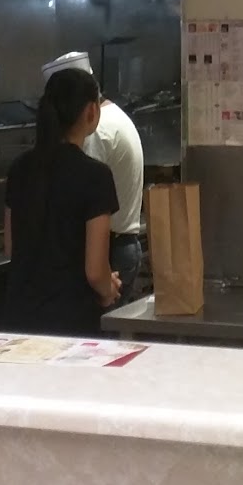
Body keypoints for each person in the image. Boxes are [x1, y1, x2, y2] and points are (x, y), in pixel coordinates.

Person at [1, 67, 119, 336]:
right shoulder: (96, 176)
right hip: (70, 322)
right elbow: (95, 271)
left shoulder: (20, 168)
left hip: (18, 317)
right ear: (91, 111)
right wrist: (108, 288)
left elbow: (11, 248)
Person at [43, 50, 146, 302]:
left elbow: (80, 197)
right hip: (118, 245)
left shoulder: (96, 131)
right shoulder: (113, 115)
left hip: (107, 251)